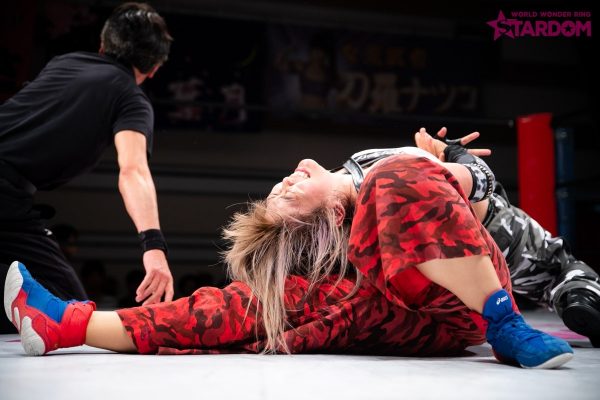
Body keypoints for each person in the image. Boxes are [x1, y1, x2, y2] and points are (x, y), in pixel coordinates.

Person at [4, 147, 573, 369]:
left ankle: (507, 322)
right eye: (289, 192)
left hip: (480, 274)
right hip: (415, 312)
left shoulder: (379, 168)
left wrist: (450, 163)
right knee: (261, 304)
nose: (287, 177)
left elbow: (483, 187)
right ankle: (65, 323)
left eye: (285, 185)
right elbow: (222, 310)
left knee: (394, 176)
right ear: (331, 217)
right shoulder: (360, 221)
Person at [0, 3, 175, 326]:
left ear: (103, 45)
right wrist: (154, 247)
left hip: (13, 200)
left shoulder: (64, 62)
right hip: (7, 195)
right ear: (153, 69)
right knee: (69, 314)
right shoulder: (130, 97)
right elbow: (133, 170)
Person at [411, 128, 600, 347]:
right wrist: (453, 152)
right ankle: (582, 293)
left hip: (429, 252)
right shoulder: (415, 167)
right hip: (492, 232)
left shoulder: (387, 170)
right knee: (558, 268)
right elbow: (483, 178)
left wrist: (442, 155)